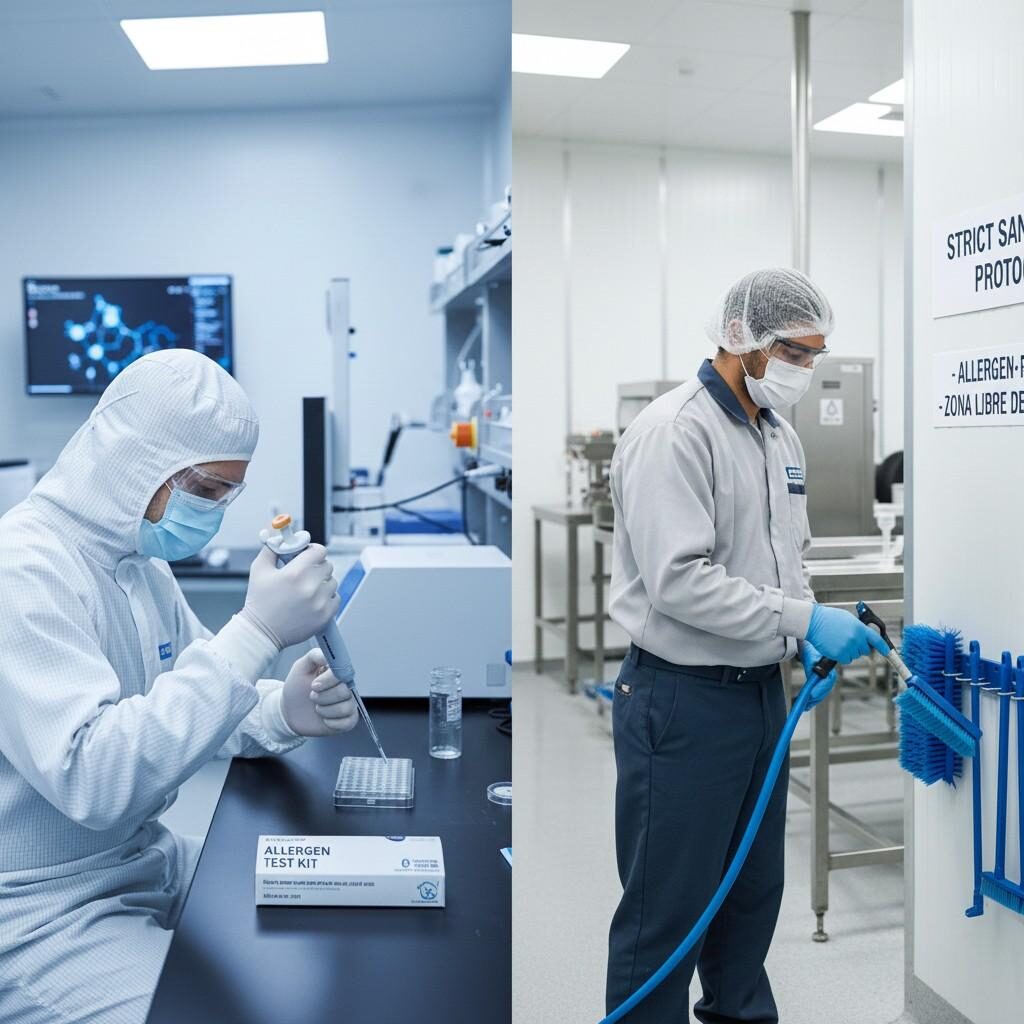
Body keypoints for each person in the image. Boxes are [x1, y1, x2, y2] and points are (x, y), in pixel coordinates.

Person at [0, 350, 358, 1024]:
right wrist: (255, 631)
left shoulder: (137, 560)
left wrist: (282, 709)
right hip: (42, 914)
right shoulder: (21, 570)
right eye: (210, 489)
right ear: (137, 464)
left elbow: (193, 699)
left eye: (229, 493)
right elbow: (96, 780)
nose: (216, 510)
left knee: (329, 923)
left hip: (144, 862)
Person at [604, 268, 888, 1023]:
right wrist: (801, 621)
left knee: (750, 896)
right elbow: (680, 582)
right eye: (796, 352)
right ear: (744, 340)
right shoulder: (675, 432)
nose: (807, 369)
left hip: (761, 697)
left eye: (816, 354)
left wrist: (803, 632)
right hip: (681, 700)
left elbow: (787, 557)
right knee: (668, 909)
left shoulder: (779, 435)